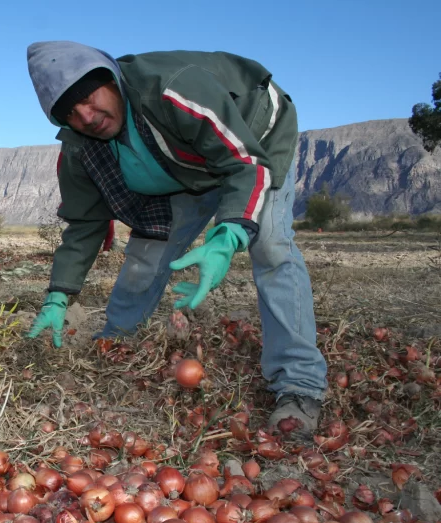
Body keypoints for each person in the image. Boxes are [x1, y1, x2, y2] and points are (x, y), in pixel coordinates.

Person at [24, 41, 327, 434]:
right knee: (150, 248)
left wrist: (230, 231)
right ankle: (116, 341)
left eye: (88, 95)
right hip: (184, 167)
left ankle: (299, 383)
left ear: (112, 78)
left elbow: (244, 165)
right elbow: (84, 224)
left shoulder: (172, 91)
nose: (86, 115)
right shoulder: (81, 148)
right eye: (69, 111)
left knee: (269, 243)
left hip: (252, 141)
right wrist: (59, 294)